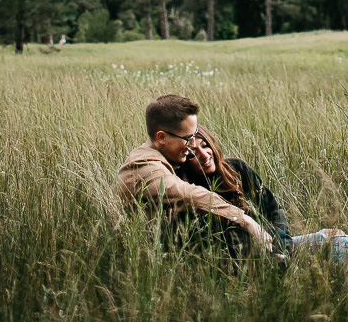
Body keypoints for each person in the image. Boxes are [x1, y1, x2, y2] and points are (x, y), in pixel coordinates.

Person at [179, 126, 348, 266]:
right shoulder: (191, 194)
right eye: (194, 153)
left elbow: (273, 211)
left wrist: (281, 243)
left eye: (205, 146)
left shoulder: (236, 168)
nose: (204, 154)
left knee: (334, 237)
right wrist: (263, 254)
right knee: (324, 252)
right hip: (246, 261)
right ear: (186, 161)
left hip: (277, 244)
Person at [116, 93, 276, 256]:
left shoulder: (168, 158)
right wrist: (244, 220)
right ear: (162, 137)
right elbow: (187, 194)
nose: (192, 144)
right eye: (188, 138)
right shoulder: (143, 166)